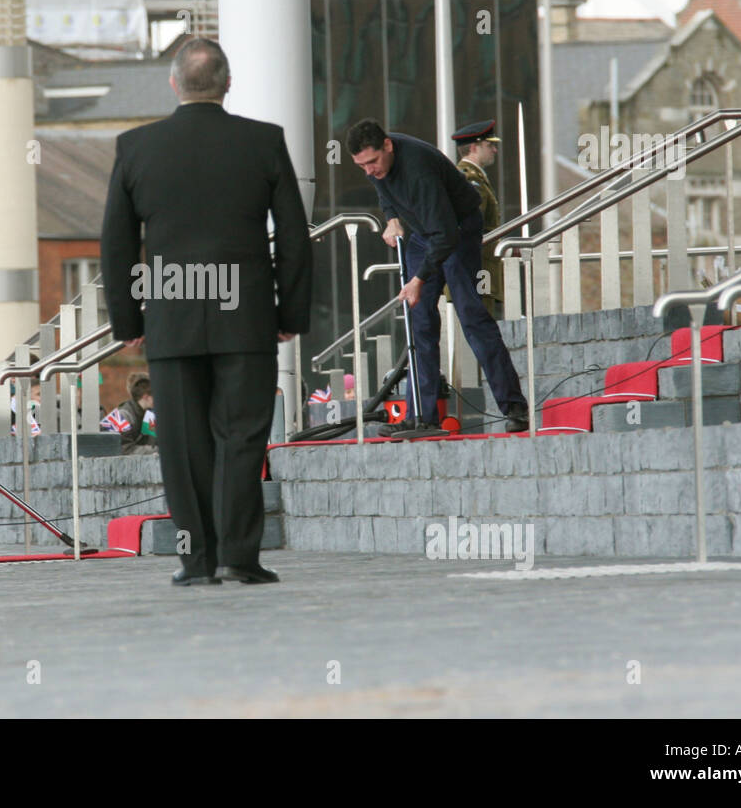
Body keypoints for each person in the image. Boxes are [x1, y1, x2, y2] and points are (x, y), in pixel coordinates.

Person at [100, 37, 312, 586]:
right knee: (241, 438)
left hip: (170, 318)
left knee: (183, 444)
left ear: (173, 83)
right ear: (227, 83)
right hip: (245, 317)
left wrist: (128, 321)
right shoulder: (263, 142)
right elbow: (293, 233)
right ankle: (239, 558)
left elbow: (117, 243)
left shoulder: (135, 148)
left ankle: (196, 560)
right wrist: (288, 310)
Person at [346, 118, 528, 433]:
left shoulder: (418, 171)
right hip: (422, 232)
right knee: (420, 321)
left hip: (456, 229)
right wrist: (391, 219)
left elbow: (445, 236)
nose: (369, 170)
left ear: (387, 145)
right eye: (361, 166)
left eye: (372, 162)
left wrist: (418, 281)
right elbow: (384, 192)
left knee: (471, 314)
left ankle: (514, 406)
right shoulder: (376, 164)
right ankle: (422, 416)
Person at [452, 120, 503, 317]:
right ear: (473, 147)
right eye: (490, 145)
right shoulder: (468, 178)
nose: (495, 150)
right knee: (481, 322)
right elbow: (472, 222)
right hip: (476, 265)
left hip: (478, 264)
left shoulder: (474, 177)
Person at [101, 372, 157, 455]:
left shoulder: (149, 415)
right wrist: (157, 451)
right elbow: (125, 450)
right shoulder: (121, 416)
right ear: (145, 397)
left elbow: (151, 443)